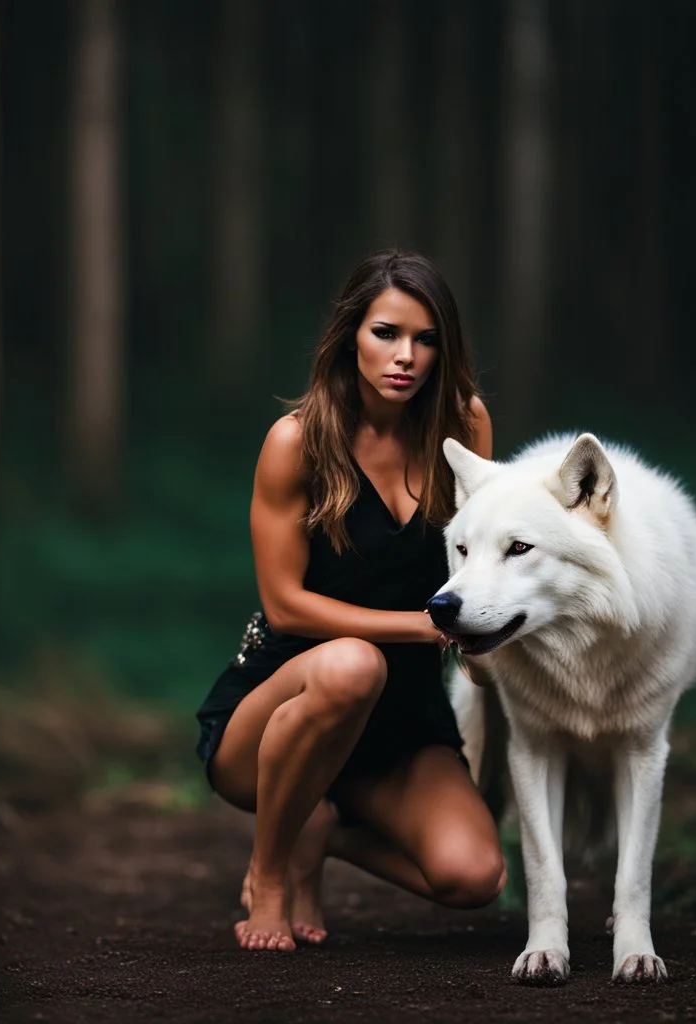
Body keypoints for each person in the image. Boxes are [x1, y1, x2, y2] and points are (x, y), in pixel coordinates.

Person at [195, 249, 506, 952]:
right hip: (285, 704)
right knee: (352, 667)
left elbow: (484, 558)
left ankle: (322, 832)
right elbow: (284, 608)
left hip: (402, 723)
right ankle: (270, 873)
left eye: (426, 340)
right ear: (349, 335)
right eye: (386, 333)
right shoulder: (296, 442)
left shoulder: (466, 426)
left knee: (475, 875)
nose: (407, 357)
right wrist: (425, 627)